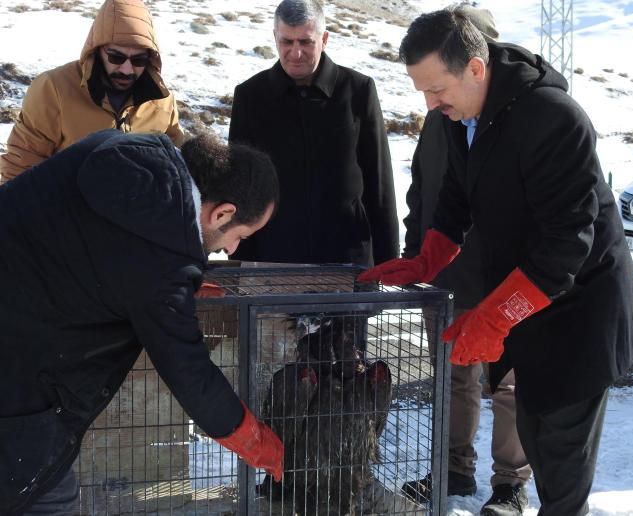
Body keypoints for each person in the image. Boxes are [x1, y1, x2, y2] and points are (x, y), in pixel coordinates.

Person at [359, 7, 633, 516]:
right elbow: (454, 193)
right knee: (536, 432)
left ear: (475, 67)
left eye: (435, 88)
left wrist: (494, 316)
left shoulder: (553, 119)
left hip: (580, 314)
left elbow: (565, 245)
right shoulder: (461, 113)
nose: (429, 102)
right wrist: (428, 256)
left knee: (560, 457)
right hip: (533, 306)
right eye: (421, 90)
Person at [0, 129, 283, 515]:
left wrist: (179, 284)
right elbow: (187, 368)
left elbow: (105, 256)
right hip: (17, 382)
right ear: (222, 213)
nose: (231, 249)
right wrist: (250, 436)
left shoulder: (126, 151)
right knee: (46, 496)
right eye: (240, 236)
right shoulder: (160, 263)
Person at [400, 8, 531, 515]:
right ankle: (454, 470)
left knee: (508, 383)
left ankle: (510, 483)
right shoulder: (442, 116)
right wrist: (417, 254)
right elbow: (423, 190)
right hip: (446, 272)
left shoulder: (520, 114)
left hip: (503, 277)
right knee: (454, 378)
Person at [228, 0, 399, 266]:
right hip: (274, 258)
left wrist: (389, 261)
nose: (296, 53)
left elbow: (379, 183)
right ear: (275, 38)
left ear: (324, 38)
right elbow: (239, 184)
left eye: (305, 42)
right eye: (287, 42)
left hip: (347, 258)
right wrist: (240, 262)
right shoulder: (250, 96)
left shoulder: (358, 90)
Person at [0, 0, 183, 183]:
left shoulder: (162, 100)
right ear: (96, 50)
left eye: (139, 60)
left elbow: (180, 166)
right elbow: (22, 163)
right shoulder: (54, 88)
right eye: (116, 57)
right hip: (64, 208)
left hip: (134, 209)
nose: (127, 69)